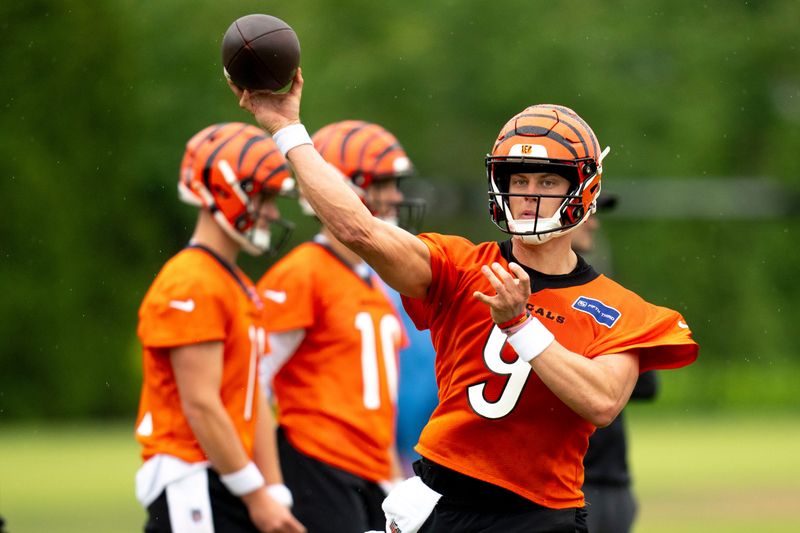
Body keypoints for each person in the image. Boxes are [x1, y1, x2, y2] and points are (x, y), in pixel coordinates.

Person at [232, 73, 699, 533]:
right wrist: (287, 129)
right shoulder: (459, 266)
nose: (528, 195)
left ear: (583, 187)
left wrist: (521, 326)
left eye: (546, 182)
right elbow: (360, 230)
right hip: (444, 500)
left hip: (536, 516)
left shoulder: (621, 308)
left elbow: (602, 401)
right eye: (519, 179)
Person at [133, 122, 305, 533]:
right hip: (191, 475)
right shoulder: (191, 281)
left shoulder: (236, 283)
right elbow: (201, 404)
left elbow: (252, 396)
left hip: (227, 475)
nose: (272, 213)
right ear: (228, 191)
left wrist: (273, 490)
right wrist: (255, 494)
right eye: (263, 197)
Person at [256, 120, 422, 533]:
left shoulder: (373, 279)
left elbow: (376, 401)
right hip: (316, 463)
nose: (395, 196)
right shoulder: (303, 273)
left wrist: (391, 477)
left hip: (368, 469)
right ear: (340, 187)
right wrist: (266, 484)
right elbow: (251, 381)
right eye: (382, 183)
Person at [573, 195, 658, 533]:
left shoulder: (604, 299)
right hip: (563, 486)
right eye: (585, 214)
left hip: (610, 482)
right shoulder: (521, 297)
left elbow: (647, 385)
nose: (594, 223)